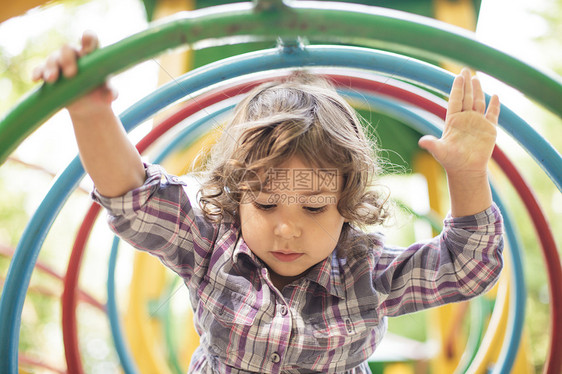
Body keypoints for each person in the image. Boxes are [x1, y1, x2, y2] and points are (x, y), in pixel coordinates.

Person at [33, 31, 504, 374]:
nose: (287, 229)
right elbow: (134, 198)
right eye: (265, 204)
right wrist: (91, 112)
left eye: (315, 208)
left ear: (347, 207)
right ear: (238, 200)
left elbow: (467, 265)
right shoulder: (209, 251)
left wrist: (466, 173)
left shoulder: (367, 275)